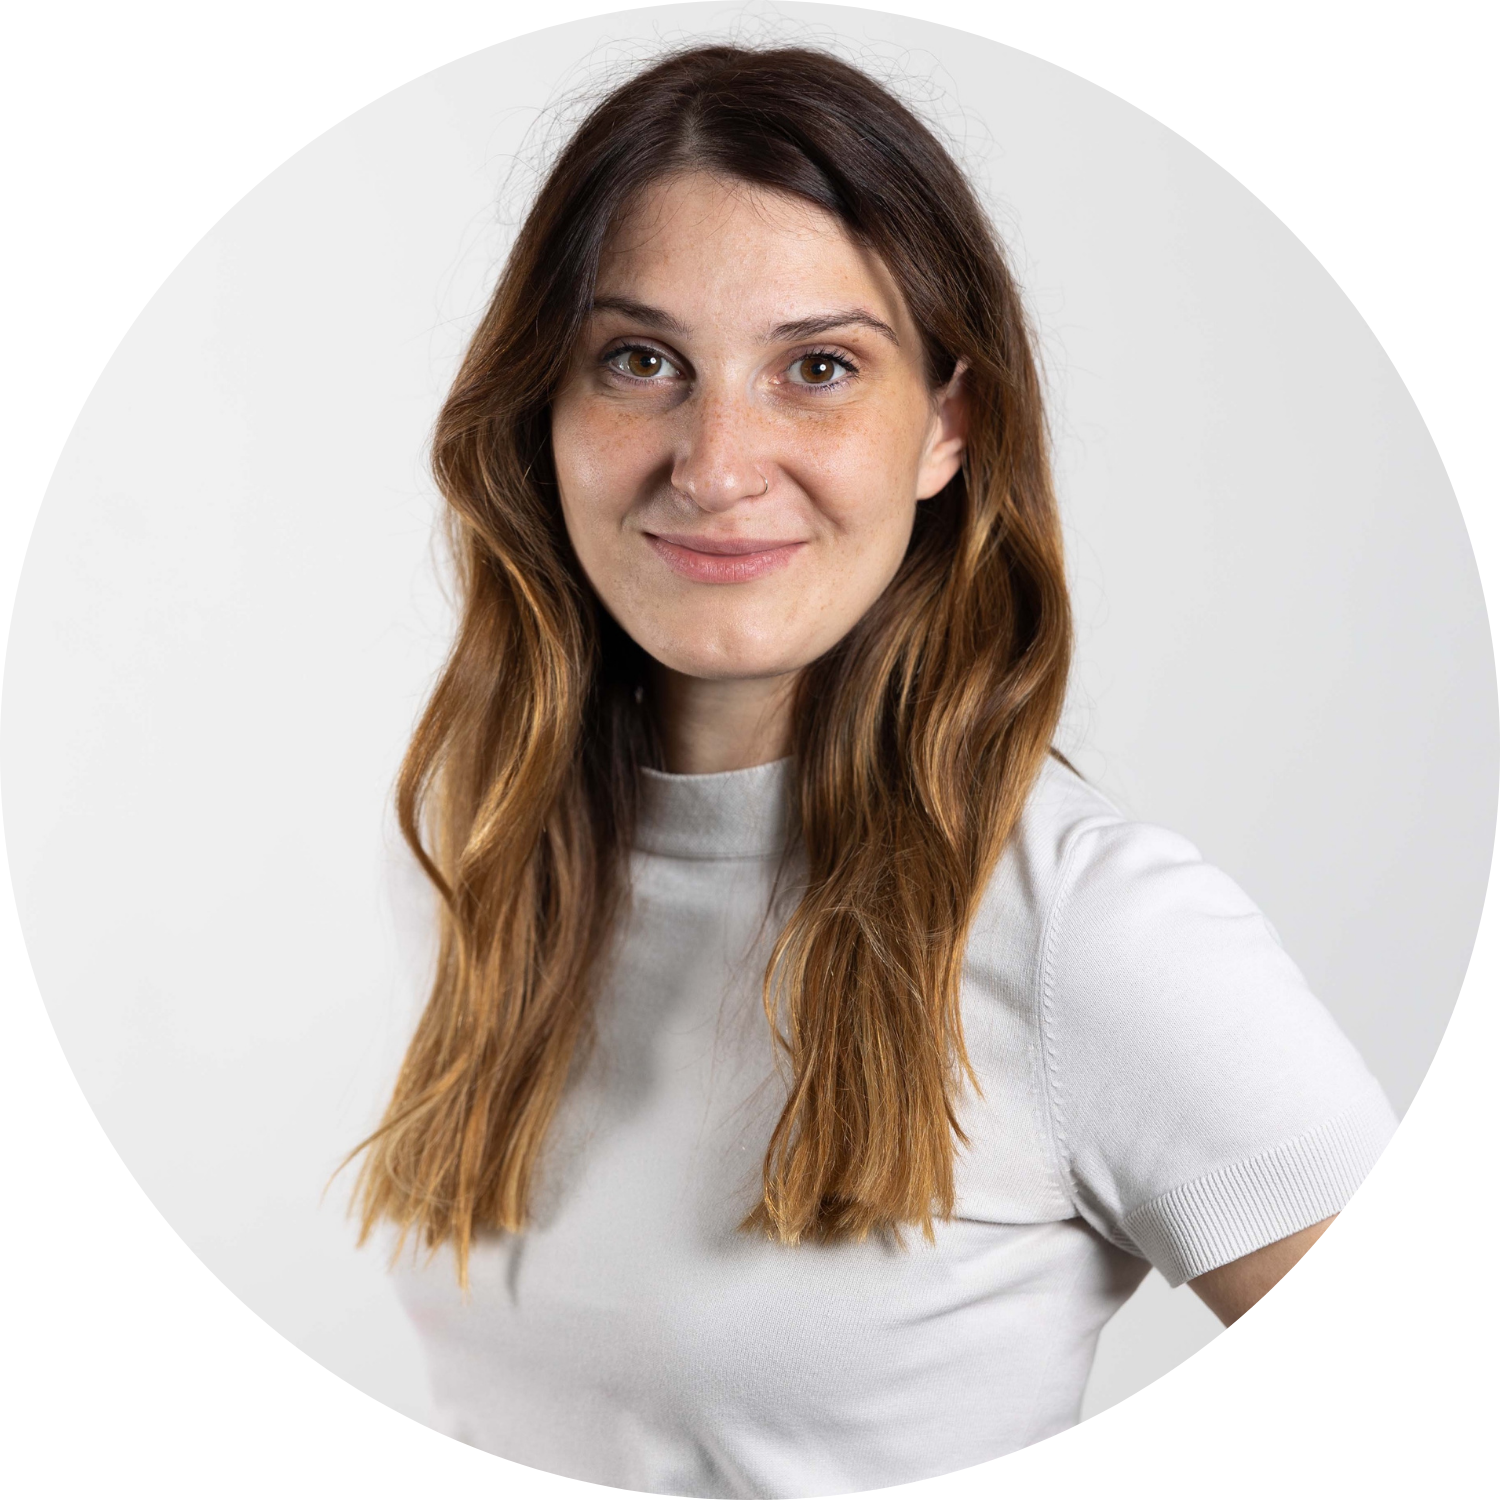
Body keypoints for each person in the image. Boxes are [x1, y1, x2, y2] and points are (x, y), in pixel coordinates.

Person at [349, 43, 1398, 1498]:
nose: (716, 464)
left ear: (947, 428)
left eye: (819, 369)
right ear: (547, 406)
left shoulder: (1089, 925)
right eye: (640, 361)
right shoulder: (480, 854)